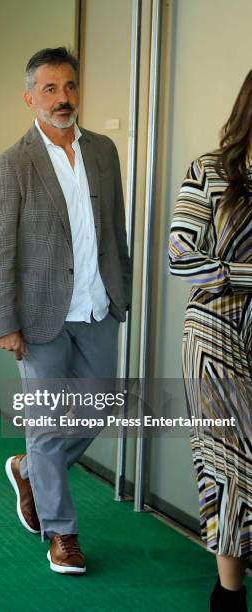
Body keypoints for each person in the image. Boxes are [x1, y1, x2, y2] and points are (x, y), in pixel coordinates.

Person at [0, 47, 131, 575]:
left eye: (69, 86)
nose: (63, 98)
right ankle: (62, 534)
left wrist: (122, 292)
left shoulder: (105, 152)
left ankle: (28, 470)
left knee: (101, 406)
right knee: (47, 423)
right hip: (40, 316)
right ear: (30, 98)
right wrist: (4, 322)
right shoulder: (12, 165)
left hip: (96, 307)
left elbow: (114, 229)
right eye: (50, 89)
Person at [169, 70, 252, 611]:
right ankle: (229, 594)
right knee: (229, 465)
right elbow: (181, 254)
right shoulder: (211, 171)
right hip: (215, 336)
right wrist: (243, 273)